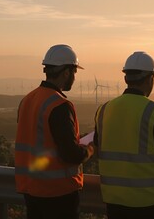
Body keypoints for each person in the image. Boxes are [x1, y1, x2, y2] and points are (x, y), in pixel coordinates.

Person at [94, 51, 154, 219]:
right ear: (150, 79)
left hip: (114, 201)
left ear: (126, 78)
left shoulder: (104, 109)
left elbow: (97, 147)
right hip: (149, 202)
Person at [15, 44, 94, 219]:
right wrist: (89, 147)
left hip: (32, 191)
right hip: (57, 194)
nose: (74, 77)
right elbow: (71, 154)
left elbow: (40, 139)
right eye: (74, 72)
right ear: (66, 72)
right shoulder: (59, 105)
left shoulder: (28, 99)